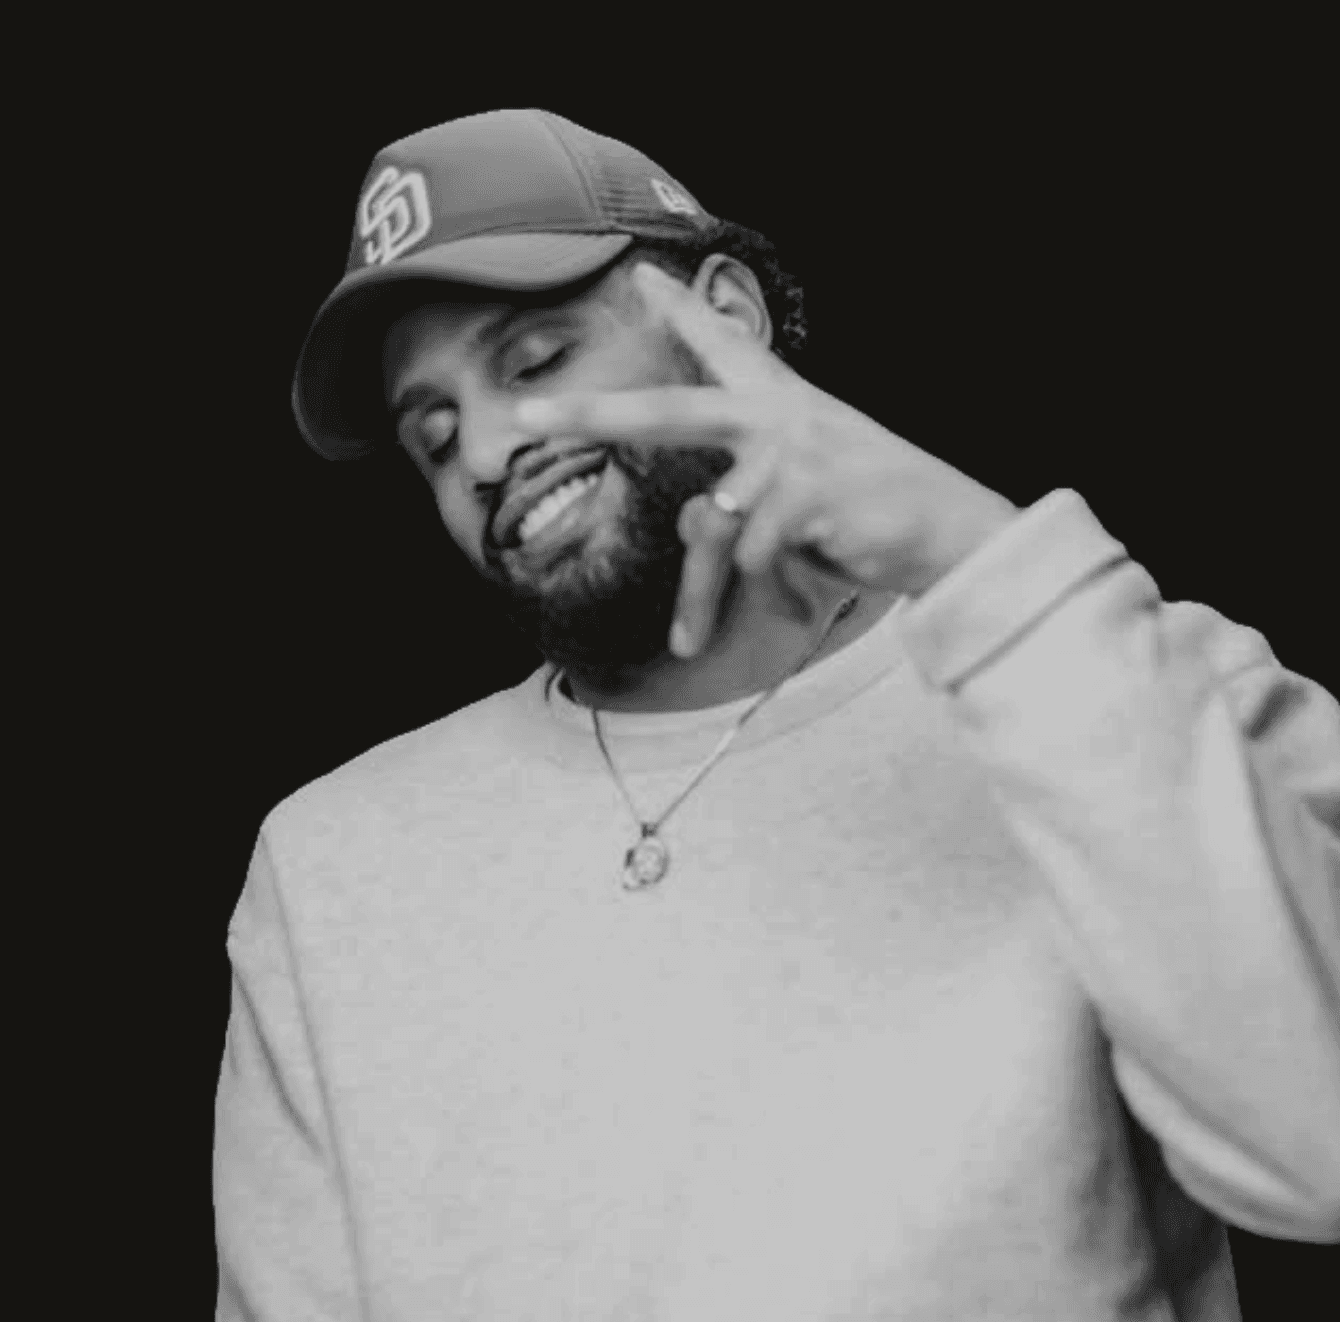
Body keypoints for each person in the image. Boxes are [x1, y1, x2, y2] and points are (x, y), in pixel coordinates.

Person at [213, 109, 1340, 1320]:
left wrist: (982, 561)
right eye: (431, 437)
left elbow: (1315, 1146)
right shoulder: (330, 865)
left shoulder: (1118, 671)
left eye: (535, 362)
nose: (484, 452)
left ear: (727, 316)